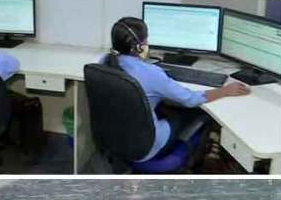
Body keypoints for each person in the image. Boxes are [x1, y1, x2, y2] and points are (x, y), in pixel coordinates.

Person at [99, 17, 249, 162]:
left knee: (166, 107)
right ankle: (203, 159)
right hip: (145, 147)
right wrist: (225, 91)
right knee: (194, 113)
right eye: (146, 39)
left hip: (114, 137)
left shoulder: (105, 62)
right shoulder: (151, 73)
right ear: (139, 47)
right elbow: (190, 100)